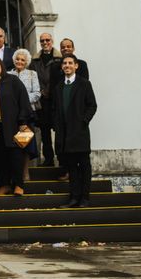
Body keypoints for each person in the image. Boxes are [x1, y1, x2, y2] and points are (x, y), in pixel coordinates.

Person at [53, 54, 97, 208]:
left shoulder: (84, 84)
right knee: (71, 167)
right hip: (65, 134)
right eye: (64, 63)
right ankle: (74, 197)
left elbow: (92, 105)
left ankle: (85, 198)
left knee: (84, 167)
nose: (67, 65)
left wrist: (83, 121)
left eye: (70, 63)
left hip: (80, 132)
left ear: (76, 66)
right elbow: (56, 110)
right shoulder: (58, 87)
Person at [0, 57, 31, 196]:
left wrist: (23, 121)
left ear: (1, 65)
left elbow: (23, 99)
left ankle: (18, 185)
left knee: (16, 156)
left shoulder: (12, 80)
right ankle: (4, 185)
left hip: (13, 125)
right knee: (0, 158)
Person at [8, 49, 41, 181]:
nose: (19, 61)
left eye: (22, 60)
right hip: (12, 115)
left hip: (27, 114)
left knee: (26, 144)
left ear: (26, 62)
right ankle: (14, 173)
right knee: (14, 144)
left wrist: (22, 99)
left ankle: (25, 172)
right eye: (17, 59)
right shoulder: (8, 74)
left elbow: (37, 93)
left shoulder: (32, 74)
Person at [30, 32, 63, 167]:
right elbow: (32, 77)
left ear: (52, 41)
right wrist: (41, 91)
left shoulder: (60, 59)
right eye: (42, 40)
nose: (45, 43)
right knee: (44, 132)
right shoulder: (35, 61)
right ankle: (48, 159)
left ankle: (62, 159)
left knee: (60, 131)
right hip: (42, 101)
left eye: (47, 40)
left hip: (56, 100)